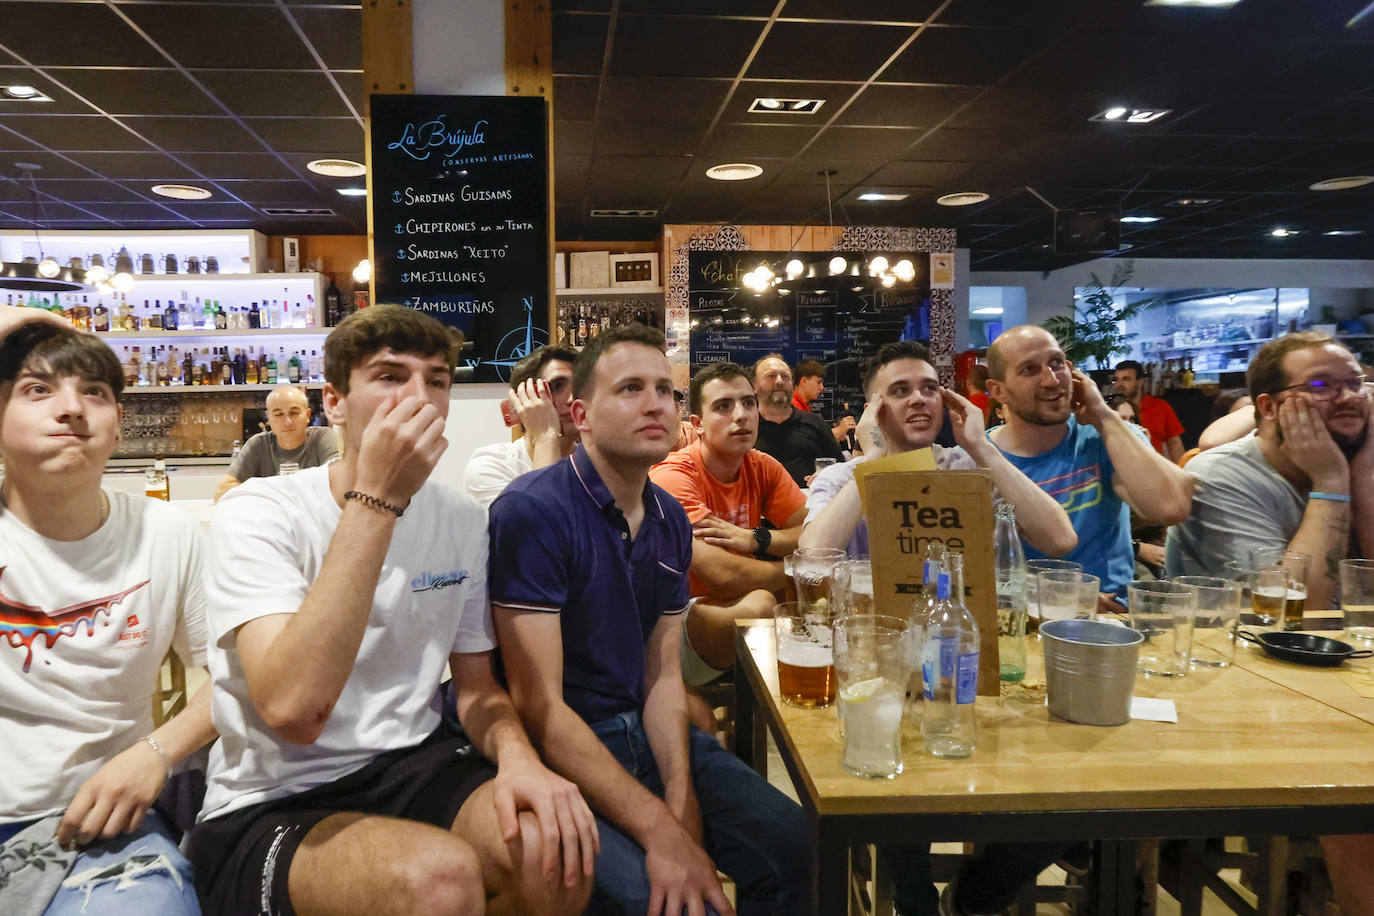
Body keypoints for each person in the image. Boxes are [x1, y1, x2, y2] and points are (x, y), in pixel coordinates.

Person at [188, 306, 594, 916]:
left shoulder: (461, 517)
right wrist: (377, 497)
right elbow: (294, 712)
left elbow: (477, 688)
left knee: (553, 854)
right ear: (335, 403)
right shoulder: (259, 510)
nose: (419, 397)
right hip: (276, 792)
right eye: (389, 376)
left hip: (412, 761)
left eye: (436, 380)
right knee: (437, 880)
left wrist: (520, 758)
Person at [488, 323, 811, 915]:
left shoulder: (667, 515)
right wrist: (661, 831)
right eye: (631, 388)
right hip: (561, 748)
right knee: (677, 902)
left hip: (643, 725)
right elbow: (541, 706)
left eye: (666, 389)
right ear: (580, 414)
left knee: (798, 848)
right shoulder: (531, 511)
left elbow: (661, 676)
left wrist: (681, 803)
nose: (657, 403)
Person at [0, 310, 216, 916]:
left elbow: (237, 678)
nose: (71, 409)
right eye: (37, 389)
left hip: (96, 824)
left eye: (93, 392)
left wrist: (157, 752)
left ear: (119, 425)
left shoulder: (167, 534)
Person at [800, 341, 1076, 561]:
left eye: (930, 388)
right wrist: (872, 460)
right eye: (900, 391)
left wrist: (981, 447)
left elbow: (1059, 541)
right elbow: (813, 558)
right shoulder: (840, 479)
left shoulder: (970, 468)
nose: (919, 399)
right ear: (873, 411)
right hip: (873, 625)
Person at [985, 327, 1194, 611]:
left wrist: (1102, 413)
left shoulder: (1106, 437)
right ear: (998, 391)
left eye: (1056, 363)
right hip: (1022, 621)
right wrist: (1059, 595)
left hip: (1112, 617)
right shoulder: (975, 458)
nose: (1051, 380)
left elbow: (1172, 506)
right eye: (1029, 370)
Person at [1165, 332, 1374, 610]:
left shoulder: (1363, 463)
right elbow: (1290, 612)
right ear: (1268, 406)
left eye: (1354, 382)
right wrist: (1331, 483)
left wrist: (1362, 479)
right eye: (1321, 385)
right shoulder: (1220, 475)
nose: (1348, 397)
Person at [650, 361, 808, 687]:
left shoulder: (763, 466)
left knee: (819, 600)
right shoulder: (674, 475)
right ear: (698, 423)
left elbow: (812, 535)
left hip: (739, 601)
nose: (741, 415)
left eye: (748, 403)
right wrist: (801, 573)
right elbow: (721, 575)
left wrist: (757, 540)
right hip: (669, 623)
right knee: (766, 604)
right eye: (723, 406)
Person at [464, 345, 578, 507]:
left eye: (580, 386)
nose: (572, 399)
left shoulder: (594, 463)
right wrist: (546, 435)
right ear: (524, 400)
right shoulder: (491, 465)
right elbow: (541, 525)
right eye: (556, 387)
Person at [213, 385, 338, 501]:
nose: (287, 421)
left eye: (294, 413)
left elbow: (338, 484)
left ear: (307, 415)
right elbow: (221, 492)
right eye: (278, 414)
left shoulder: (323, 437)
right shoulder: (258, 444)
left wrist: (265, 491)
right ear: (269, 418)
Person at [752, 353, 845, 487]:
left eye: (785, 376)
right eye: (771, 376)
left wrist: (826, 477)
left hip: (810, 504)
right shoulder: (746, 428)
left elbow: (841, 470)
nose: (779, 381)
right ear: (754, 385)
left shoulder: (816, 423)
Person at [1113, 360, 1185, 462]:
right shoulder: (1109, 409)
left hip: (1155, 470)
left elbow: (1175, 445)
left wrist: (1180, 472)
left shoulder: (1160, 407)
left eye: (1126, 379)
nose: (1119, 384)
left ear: (1140, 381)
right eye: (1116, 379)